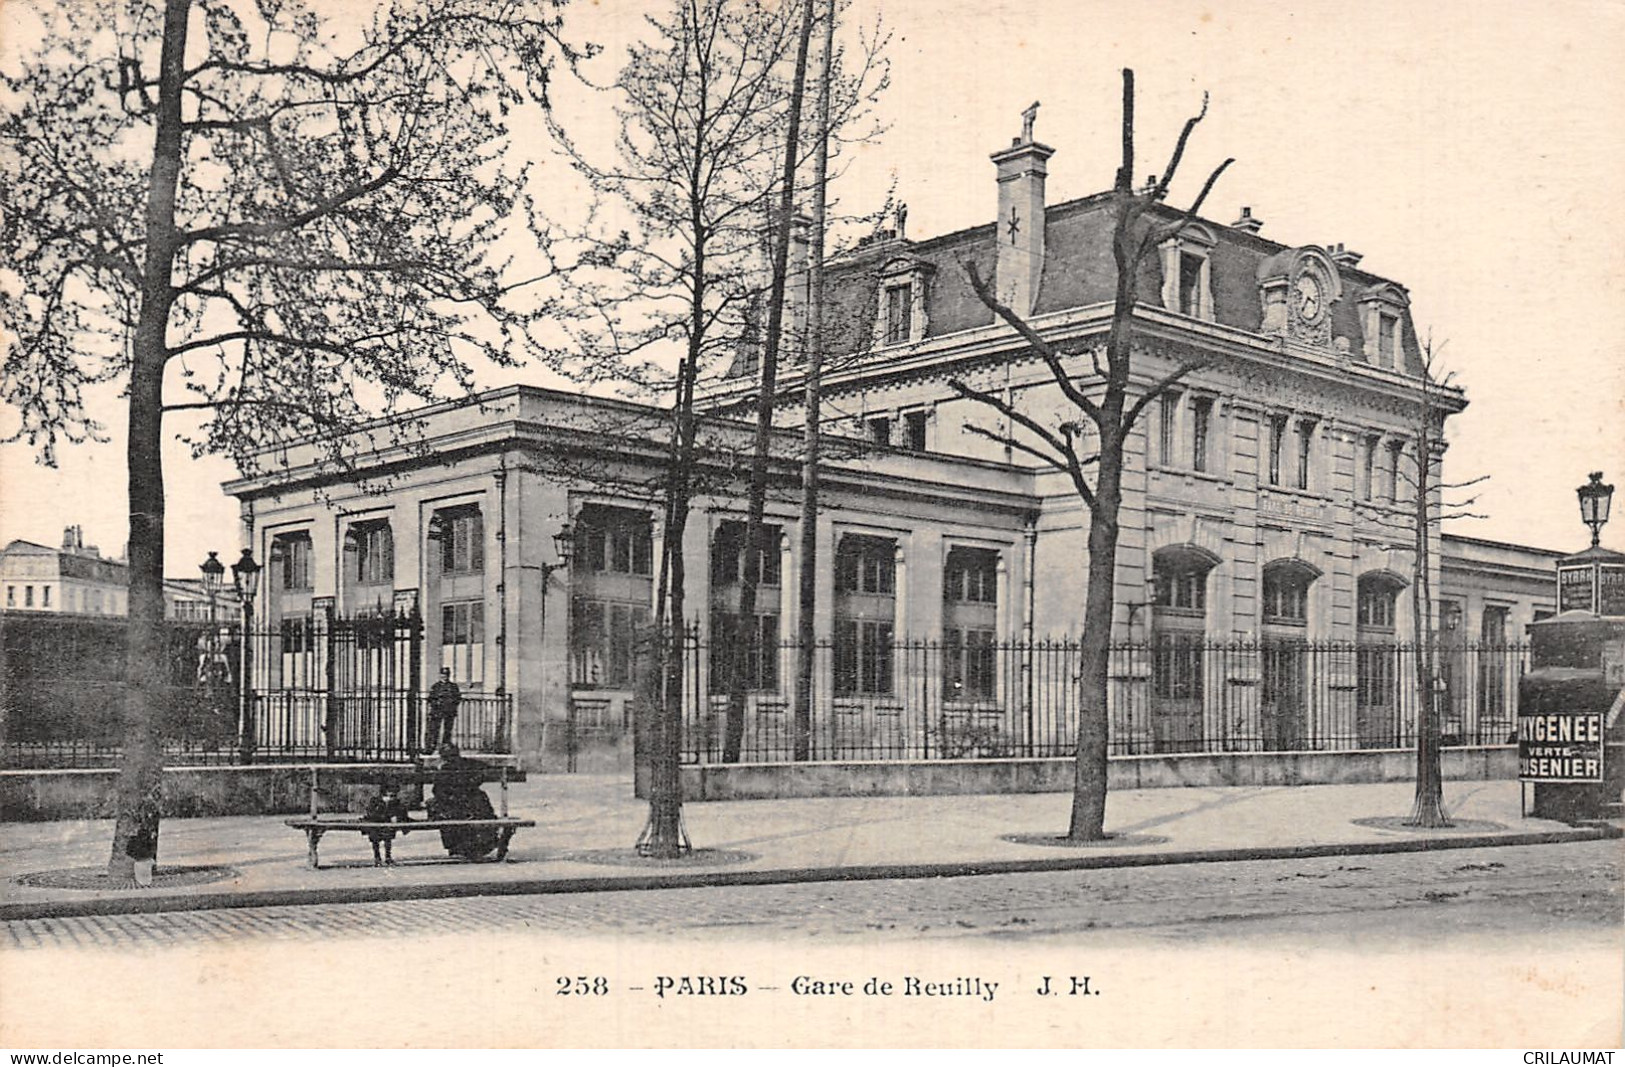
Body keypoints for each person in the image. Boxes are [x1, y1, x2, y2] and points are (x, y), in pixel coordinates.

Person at [426, 743, 500, 860]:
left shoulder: (445, 769)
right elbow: (487, 769)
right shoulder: (470, 764)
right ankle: (477, 844)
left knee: (441, 807)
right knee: (473, 805)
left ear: (442, 757)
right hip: (469, 802)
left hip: (453, 804)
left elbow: (437, 790)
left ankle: (457, 846)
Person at [426, 667, 460, 753]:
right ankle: (432, 747)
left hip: (449, 711)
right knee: (434, 730)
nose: (444, 676)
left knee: (448, 730)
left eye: (446, 675)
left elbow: (457, 698)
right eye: (443, 674)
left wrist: (452, 704)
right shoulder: (436, 686)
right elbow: (430, 698)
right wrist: (436, 704)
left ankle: (445, 747)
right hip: (437, 711)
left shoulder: (453, 686)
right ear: (440, 675)